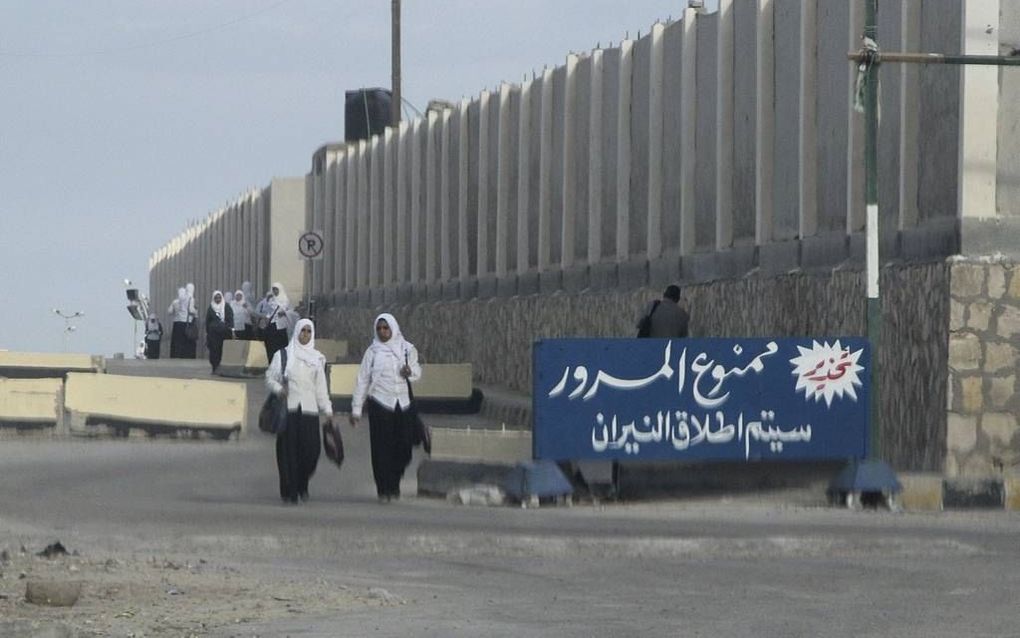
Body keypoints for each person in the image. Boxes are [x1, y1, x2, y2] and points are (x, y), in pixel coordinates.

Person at [349, 313, 422, 503]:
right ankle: (385, 488)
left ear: (393, 328)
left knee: (404, 446)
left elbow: (417, 371)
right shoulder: (372, 352)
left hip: (403, 404)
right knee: (382, 448)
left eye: (386, 328)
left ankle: (395, 479)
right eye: (379, 328)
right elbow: (363, 380)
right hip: (380, 403)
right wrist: (356, 409)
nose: (382, 332)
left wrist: (410, 372)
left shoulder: (407, 349)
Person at [265, 318, 333, 504]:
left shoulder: (318, 359)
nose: (305, 334)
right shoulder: (284, 355)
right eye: (302, 331)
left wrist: (327, 409)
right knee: (288, 453)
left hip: (310, 410)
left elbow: (321, 387)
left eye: (308, 331)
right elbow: (270, 377)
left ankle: (302, 482)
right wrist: (280, 390)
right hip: (288, 410)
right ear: (296, 332)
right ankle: (290, 491)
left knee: (311, 451)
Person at [205, 290, 235, 373]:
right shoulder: (211, 308)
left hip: (224, 333)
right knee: (214, 351)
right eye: (216, 298)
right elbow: (208, 321)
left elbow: (230, 319)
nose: (218, 299)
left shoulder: (226, 306)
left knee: (223, 350)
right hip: (213, 334)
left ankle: (223, 368)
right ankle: (215, 367)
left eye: (219, 297)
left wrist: (231, 329)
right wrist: (208, 332)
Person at [262, 282, 292, 362]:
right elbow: (265, 311)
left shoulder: (285, 300)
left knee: (280, 347)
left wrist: (284, 313)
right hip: (271, 326)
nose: (275, 291)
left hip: (280, 327)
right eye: (273, 289)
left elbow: (290, 312)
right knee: (271, 346)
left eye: (276, 289)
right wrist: (267, 300)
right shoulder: (270, 300)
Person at [167, 287, 196, 358]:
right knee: (187, 341)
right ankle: (186, 355)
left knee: (177, 341)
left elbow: (169, 311)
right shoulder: (190, 300)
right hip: (187, 322)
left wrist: (176, 312)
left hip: (177, 323)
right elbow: (191, 310)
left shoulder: (175, 302)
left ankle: (176, 355)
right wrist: (196, 312)